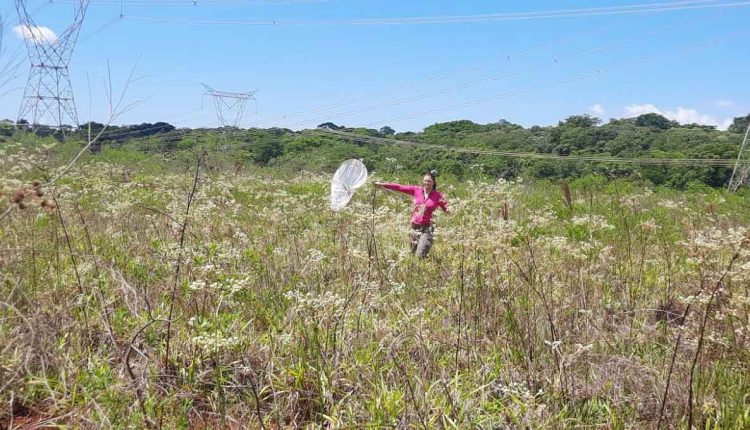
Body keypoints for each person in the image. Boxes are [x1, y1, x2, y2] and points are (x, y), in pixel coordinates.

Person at [374, 170, 449, 258]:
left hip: (428, 228)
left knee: (420, 255)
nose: (427, 183)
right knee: (413, 253)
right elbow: (399, 187)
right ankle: (420, 270)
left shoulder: (438, 195)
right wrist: (383, 185)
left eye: (429, 181)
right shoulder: (416, 190)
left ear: (433, 182)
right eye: (425, 180)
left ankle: (423, 267)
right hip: (414, 227)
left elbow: (447, 209)